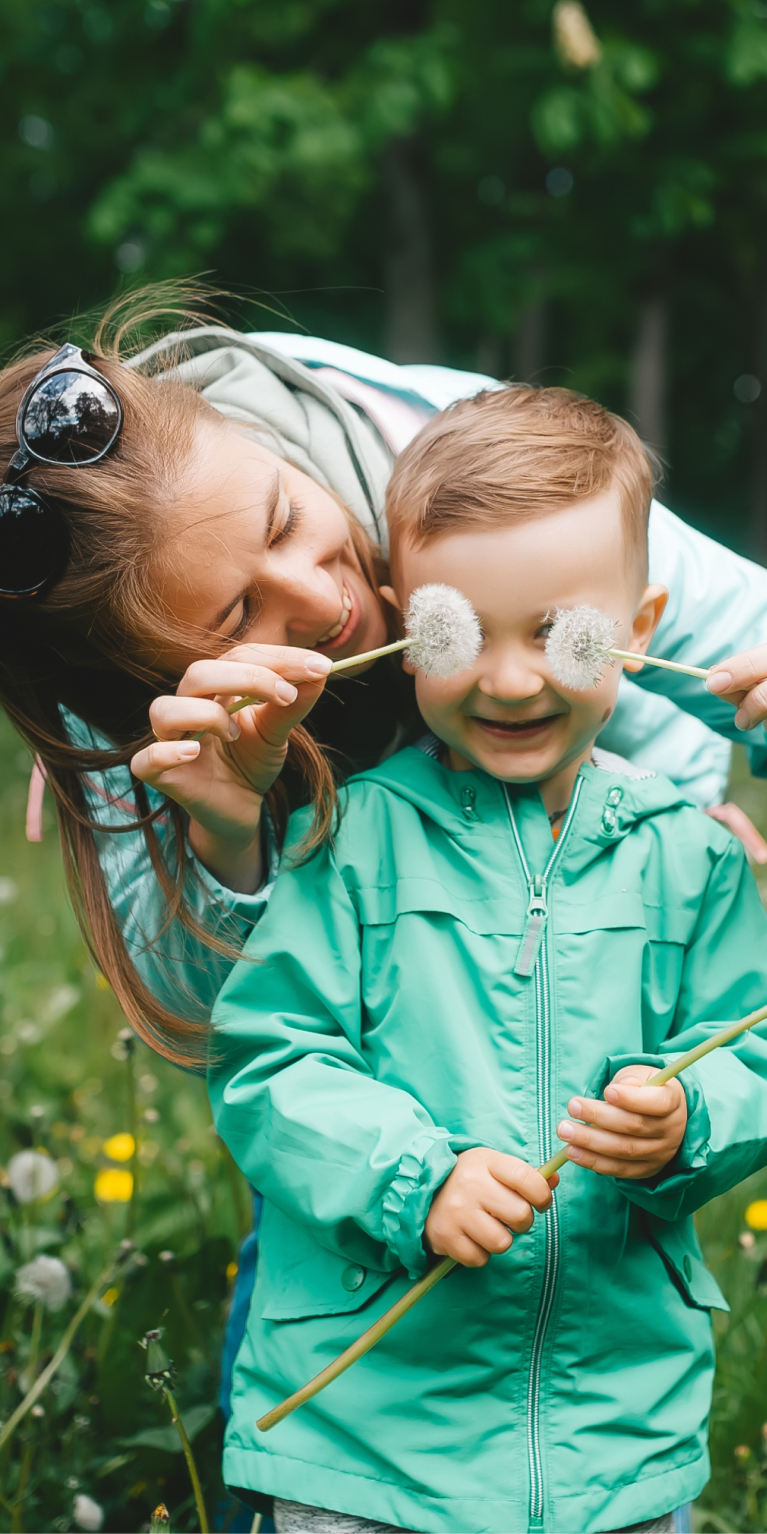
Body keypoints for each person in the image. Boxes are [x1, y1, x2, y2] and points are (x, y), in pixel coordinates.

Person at [209, 385, 767, 1534]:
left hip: (613, 1446)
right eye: (458, 634)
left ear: (641, 626)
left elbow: (749, 1050)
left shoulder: (692, 858)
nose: (510, 680)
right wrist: (415, 1181)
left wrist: (688, 1119)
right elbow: (269, 1063)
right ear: (401, 625)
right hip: (360, 1448)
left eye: (561, 634)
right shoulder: (343, 839)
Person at [3, 301, 767, 1066]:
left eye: (283, 520)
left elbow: (738, 632)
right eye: (236, 618)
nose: (322, 600)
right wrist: (225, 841)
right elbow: (219, 1023)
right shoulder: (118, 686)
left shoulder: (490, 474)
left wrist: (669, 831)